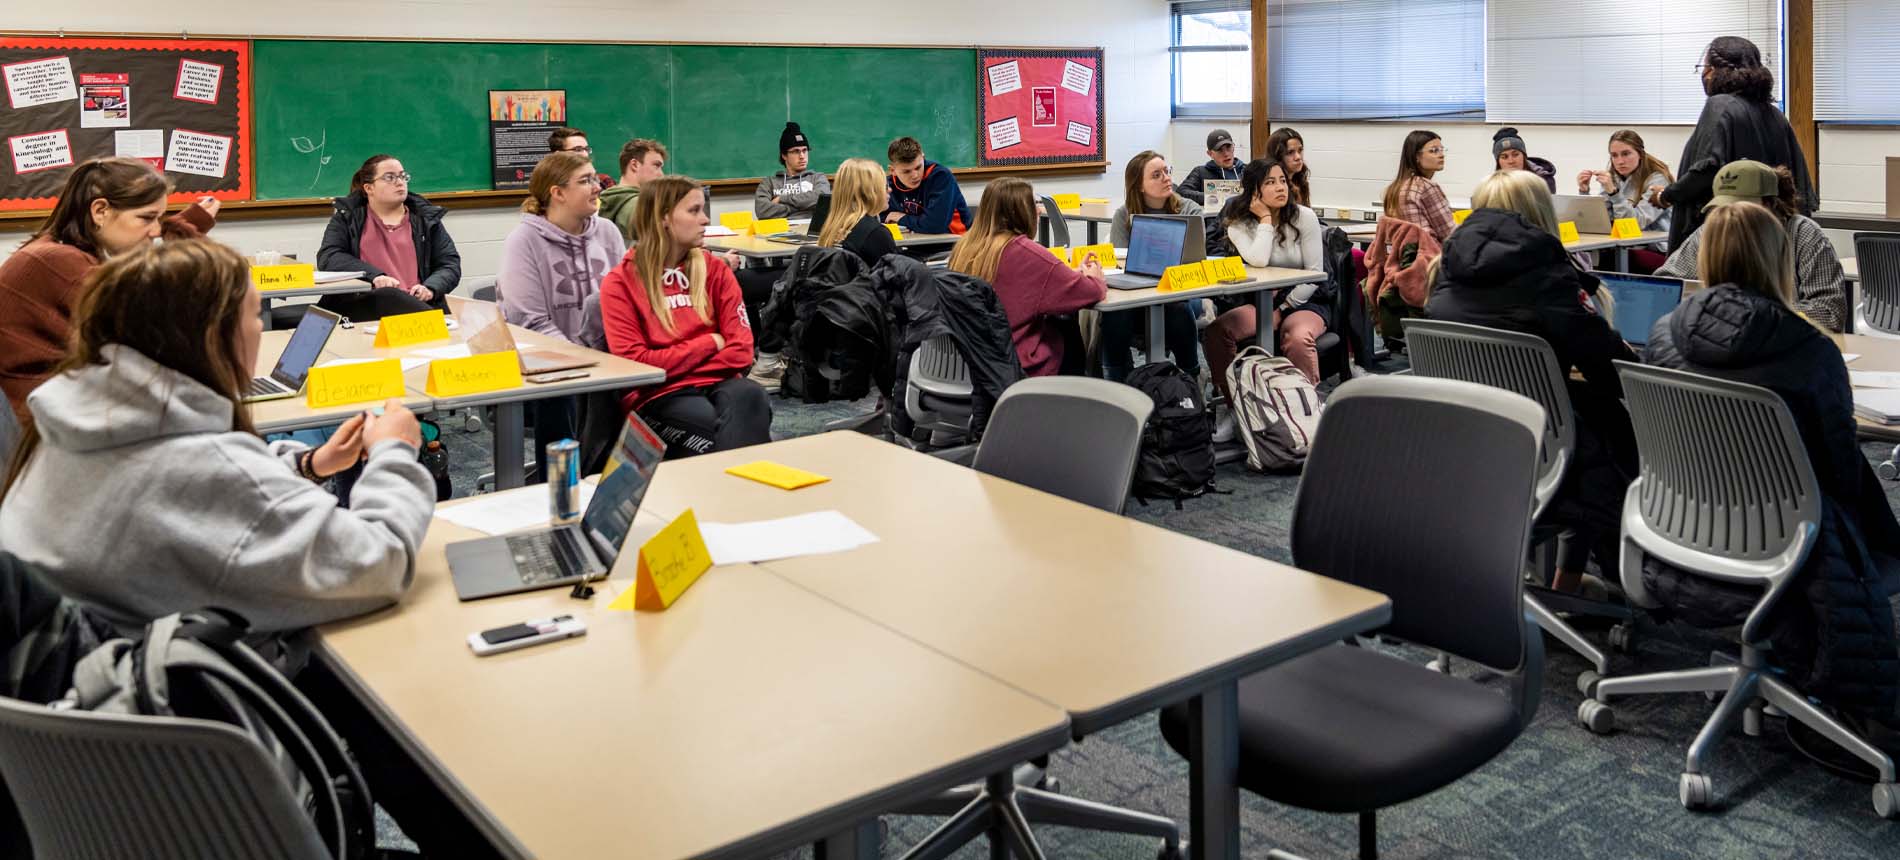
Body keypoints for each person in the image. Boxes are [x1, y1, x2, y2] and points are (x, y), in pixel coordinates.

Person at [0, 239, 432, 638]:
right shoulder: (201, 465)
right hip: (190, 698)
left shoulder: (81, 416)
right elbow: (380, 562)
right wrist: (394, 451)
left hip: (93, 675)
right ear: (214, 335)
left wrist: (307, 465)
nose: (261, 329)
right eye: (253, 313)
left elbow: (205, 496)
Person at [1642, 200, 1900, 733]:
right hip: (1787, 546)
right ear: (1780, 258)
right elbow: (1840, 475)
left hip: (1679, 534)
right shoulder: (1809, 351)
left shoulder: (1662, 335)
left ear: (1704, 255)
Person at [1424, 170, 1638, 596]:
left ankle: (1564, 580)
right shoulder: (1548, 276)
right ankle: (1619, 576)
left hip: (1463, 444)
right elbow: (1611, 371)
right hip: (1541, 452)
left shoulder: (1444, 270)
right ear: (1540, 213)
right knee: (1610, 424)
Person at [0, 157, 217, 423]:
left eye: (160, 218)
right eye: (147, 218)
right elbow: (151, 333)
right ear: (100, 211)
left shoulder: (60, 250)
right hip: (45, 424)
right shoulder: (62, 263)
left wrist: (185, 226)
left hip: (55, 406)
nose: (156, 231)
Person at [599, 176, 771, 457]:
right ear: (664, 218)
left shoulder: (716, 270)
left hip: (720, 382)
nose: (705, 220)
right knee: (707, 425)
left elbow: (741, 352)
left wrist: (678, 360)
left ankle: (735, 492)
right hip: (657, 395)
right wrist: (709, 343)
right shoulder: (620, 282)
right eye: (694, 211)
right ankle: (745, 491)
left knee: (751, 396)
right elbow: (637, 367)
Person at [497, 151, 627, 454]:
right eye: (585, 181)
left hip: (608, 359)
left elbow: (627, 301)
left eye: (595, 178)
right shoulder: (524, 240)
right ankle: (556, 488)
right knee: (560, 395)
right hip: (548, 365)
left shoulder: (606, 231)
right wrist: (583, 362)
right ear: (557, 193)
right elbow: (531, 322)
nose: (597, 186)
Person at [1653, 36, 1813, 251]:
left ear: (1714, 70)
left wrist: (1667, 195)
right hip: (1770, 237)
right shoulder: (1775, 115)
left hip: (1722, 234)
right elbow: (1798, 183)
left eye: (1705, 67)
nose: (1704, 74)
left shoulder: (1720, 106)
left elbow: (1707, 169)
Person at [1654, 159, 1848, 332]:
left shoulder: (1803, 234)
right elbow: (1664, 288)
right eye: (1723, 208)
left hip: (1780, 344)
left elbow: (1829, 312)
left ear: (1771, 203)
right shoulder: (1712, 231)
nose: (1732, 216)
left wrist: (1746, 313)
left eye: (1743, 208)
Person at [1204, 160, 1327, 422]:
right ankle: (1234, 408)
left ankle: (1307, 411)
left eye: (1282, 180)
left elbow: (1315, 274)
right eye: (1270, 182)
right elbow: (1258, 259)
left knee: (1297, 337)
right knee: (1217, 332)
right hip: (1261, 300)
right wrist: (1265, 219)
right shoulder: (1238, 222)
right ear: (1254, 191)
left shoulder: (1304, 217)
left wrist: (1283, 309)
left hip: (1304, 300)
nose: (1281, 187)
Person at [946, 177, 1105, 377]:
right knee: (1065, 322)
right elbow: (1091, 292)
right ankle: (1079, 397)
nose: (1039, 211)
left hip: (967, 365)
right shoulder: (1027, 252)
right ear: (1019, 212)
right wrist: (1095, 276)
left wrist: (1069, 275)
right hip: (1017, 366)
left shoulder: (963, 248)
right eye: (1033, 204)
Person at [315, 154, 460, 320]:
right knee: (388, 295)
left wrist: (431, 288)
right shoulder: (347, 218)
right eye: (389, 177)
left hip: (418, 304)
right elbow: (329, 257)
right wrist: (375, 276)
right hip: (365, 306)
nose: (399, 182)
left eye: (402, 176)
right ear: (369, 188)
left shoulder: (426, 219)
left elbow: (449, 264)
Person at [1101, 150, 1203, 383]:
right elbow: (1121, 261)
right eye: (1156, 175)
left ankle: (1192, 377)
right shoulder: (1124, 214)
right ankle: (1115, 379)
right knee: (1114, 312)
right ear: (1139, 185)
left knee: (1178, 309)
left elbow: (1195, 259)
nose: (1167, 178)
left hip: (1181, 288)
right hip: (1139, 289)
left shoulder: (1190, 210)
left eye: (1167, 172)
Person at [1577, 129, 1673, 272]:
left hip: (1657, 249)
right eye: (1614, 156)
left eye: (1626, 154)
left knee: (1610, 259)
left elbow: (1635, 224)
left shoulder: (1658, 180)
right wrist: (1584, 191)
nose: (1620, 161)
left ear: (1640, 154)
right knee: (1581, 258)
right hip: (1626, 246)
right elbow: (1602, 220)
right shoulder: (1613, 177)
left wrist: (1614, 193)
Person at [817, 158, 900, 266]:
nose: (890, 190)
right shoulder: (876, 233)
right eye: (884, 186)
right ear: (870, 191)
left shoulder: (831, 228)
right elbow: (894, 277)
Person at [884, 136, 972, 235]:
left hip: (954, 241)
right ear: (893, 170)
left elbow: (935, 225)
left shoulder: (940, 176)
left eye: (918, 167)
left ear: (923, 157)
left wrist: (901, 218)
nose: (915, 175)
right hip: (915, 243)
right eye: (906, 171)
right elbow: (881, 218)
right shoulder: (888, 185)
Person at [1383, 130, 1455, 241]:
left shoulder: (1395, 188)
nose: (1441, 155)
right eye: (1434, 151)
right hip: (1432, 255)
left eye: (1441, 150)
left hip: (1406, 255)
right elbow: (1449, 233)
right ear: (1416, 156)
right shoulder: (1426, 187)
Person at [754, 122, 830, 220]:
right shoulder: (769, 183)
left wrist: (782, 198)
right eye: (796, 151)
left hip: (809, 230)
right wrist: (803, 206)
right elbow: (762, 211)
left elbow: (821, 200)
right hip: (780, 231)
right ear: (784, 155)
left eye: (805, 150)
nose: (802, 156)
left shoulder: (818, 178)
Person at [597, 138, 667, 242]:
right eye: (656, 165)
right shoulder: (640, 206)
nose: (661, 174)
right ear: (634, 165)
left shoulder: (605, 200)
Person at [1175, 128, 1243, 206]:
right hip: (1214, 216)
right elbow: (1181, 192)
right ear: (1210, 154)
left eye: (1228, 147)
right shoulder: (1200, 172)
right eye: (1220, 150)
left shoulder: (1246, 170)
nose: (1226, 154)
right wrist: (1213, 198)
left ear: (1233, 147)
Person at [1492, 127, 1557, 193]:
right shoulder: (1492, 186)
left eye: (1515, 155)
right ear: (1498, 162)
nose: (1511, 161)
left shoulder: (1543, 181)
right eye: (1504, 157)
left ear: (1524, 156)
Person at [549, 126, 615, 189]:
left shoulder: (604, 182)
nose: (585, 154)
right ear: (558, 155)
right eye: (578, 149)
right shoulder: (546, 185)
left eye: (586, 149)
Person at [1266, 127, 1312, 207]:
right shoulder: (1270, 187)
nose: (1298, 157)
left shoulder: (1299, 180)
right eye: (1290, 152)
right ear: (1278, 156)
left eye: (1300, 150)